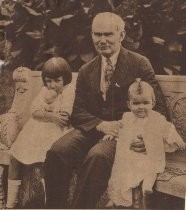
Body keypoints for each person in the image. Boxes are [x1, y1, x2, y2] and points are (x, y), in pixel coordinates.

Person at [45, 12, 168, 209]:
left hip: (124, 133)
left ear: (121, 35)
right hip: (93, 129)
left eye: (108, 34)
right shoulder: (87, 70)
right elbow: (77, 111)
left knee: (98, 157)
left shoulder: (139, 63)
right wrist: (101, 125)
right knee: (57, 151)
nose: (102, 40)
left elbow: (159, 108)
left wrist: (146, 137)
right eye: (97, 34)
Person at [105, 79, 186, 209]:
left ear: (153, 103)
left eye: (145, 103)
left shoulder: (157, 119)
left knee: (150, 169)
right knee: (123, 169)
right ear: (129, 104)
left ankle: (147, 189)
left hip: (150, 155)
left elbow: (168, 129)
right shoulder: (127, 118)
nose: (141, 107)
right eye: (136, 103)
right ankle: (125, 198)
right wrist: (111, 134)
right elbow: (119, 128)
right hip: (132, 156)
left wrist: (178, 140)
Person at [6, 57, 74, 208]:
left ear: (66, 79)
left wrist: (51, 112)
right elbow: (34, 111)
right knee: (15, 155)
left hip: (56, 133)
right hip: (35, 132)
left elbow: (65, 117)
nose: (52, 85)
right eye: (48, 81)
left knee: (47, 162)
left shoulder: (69, 92)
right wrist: (50, 114)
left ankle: (49, 201)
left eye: (57, 81)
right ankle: (11, 201)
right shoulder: (45, 91)